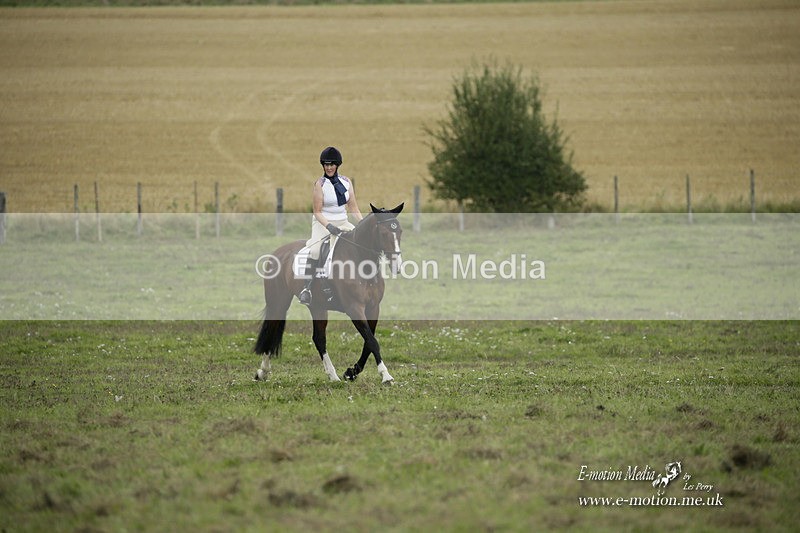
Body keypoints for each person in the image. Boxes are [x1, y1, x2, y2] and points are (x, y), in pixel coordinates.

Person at [298, 146, 363, 305]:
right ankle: (307, 288)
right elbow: (317, 211)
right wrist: (329, 226)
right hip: (323, 222)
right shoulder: (320, 184)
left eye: (331, 164)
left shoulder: (346, 182)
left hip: (343, 221)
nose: (328, 168)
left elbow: (353, 207)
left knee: (360, 244)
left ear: (337, 165)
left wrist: (362, 224)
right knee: (314, 250)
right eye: (326, 165)